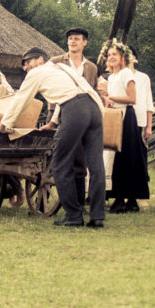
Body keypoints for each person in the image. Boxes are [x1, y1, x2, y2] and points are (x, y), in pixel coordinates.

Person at [0, 48, 107, 228]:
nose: (26, 67)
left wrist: (4, 124)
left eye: (28, 62)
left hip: (75, 109)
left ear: (40, 59)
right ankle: (97, 217)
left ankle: (73, 216)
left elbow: (21, 99)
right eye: (24, 65)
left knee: (60, 163)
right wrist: (53, 122)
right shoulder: (63, 68)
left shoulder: (37, 73)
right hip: (95, 109)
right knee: (96, 165)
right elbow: (69, 95)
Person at [49, 28, 100, 207]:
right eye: (70, 38)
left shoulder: (91, 68)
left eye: (77, 39)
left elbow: (93, 92)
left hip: (82, 116)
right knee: (57, 158)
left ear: (84, 42)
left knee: (79, 159)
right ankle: (51, 203)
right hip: (59, 113)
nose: (72, 41)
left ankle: (79, 203)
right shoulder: (55, 62)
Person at [98, 39, 149, 213]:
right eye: (109, 55)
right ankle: (120, 198)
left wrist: (110, 97)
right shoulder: (112, 77)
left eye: (115, 55)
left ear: (122, 58)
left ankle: (130, 200)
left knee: (128, 157)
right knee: (116, 159)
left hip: (126, 117)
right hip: (115, 117)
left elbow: (132, 99)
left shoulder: (127, 73)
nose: (111, 57)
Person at [129, 46, 155, 142]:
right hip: (122, 122)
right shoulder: (114, 77)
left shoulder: (143, 78)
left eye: (128, 54)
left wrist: (149, 126)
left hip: (140, 121)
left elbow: (149, 103)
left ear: (134, 57)